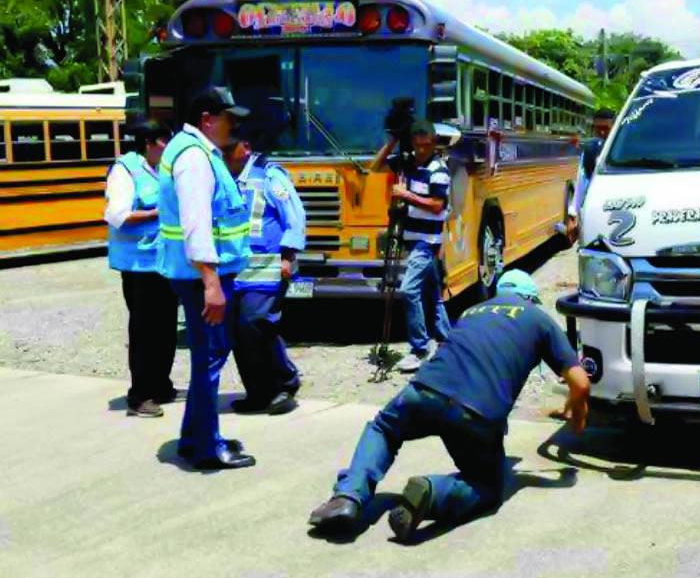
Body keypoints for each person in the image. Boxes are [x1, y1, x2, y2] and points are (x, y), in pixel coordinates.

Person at [308, 269, 591, 540]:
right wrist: (576, 421)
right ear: (530, 298)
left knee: (385, 428)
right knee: (487, 486)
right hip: (476, 414)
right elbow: (580, 383)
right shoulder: (538, 319)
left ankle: (348, 495)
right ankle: (433, 493)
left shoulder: (471, 313)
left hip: (426, 390)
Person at [156, 86, 255, 470]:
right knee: (210, 357)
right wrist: (212, 283)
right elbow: (196, 224)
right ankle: (207, 448)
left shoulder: (190, 150)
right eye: (231, 119)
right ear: (208, 120)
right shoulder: (195, 159)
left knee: (207, 355)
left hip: (197, 275)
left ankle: (192, 437)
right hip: (202, 278)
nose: (236, 127)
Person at [225, 131, 306, 416]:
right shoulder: (222, 178)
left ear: (245, 147)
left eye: (228, 148)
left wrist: (288, 256)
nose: (222, 153)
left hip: (268, 268)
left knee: (256, 323)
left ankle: (285, 383)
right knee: (237, 332)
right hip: (235, 272)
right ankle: (258, 392)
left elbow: (294, 217)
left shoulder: (269, 176)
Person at [105, 118, 177, 418]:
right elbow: (117, 215)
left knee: (166, 329)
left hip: (164, 262)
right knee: (145, 331)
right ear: (149, 143)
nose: (168, 149)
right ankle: (140, 396)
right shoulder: (125, 170)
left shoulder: (161, 169)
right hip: (138, 265)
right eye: (164, 143)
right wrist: (157, 213)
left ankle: (160, 385)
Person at [370, 119, 450, 374]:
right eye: (419, 147)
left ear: (434, 143)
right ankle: (448, 342)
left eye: (427, 146)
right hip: (413, 239)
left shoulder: (438, 170)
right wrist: (392, 140)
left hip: (427, 243)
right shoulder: (407, 163)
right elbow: (375, 166)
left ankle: (419, 348)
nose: (423, 151)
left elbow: (437, 205)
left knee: (409, 290)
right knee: (432, 295)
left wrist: (407, 196)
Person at [567, 108, 616, 235]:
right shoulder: (590, 151)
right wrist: (574, 212)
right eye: (597, 128)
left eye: (606, 128)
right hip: (596, 208)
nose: (601, 132)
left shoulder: (624, 149)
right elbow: (582, 181)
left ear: (615, 127)